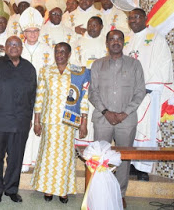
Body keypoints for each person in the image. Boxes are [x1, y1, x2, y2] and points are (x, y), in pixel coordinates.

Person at [0, 36, 37, 204]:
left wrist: (29, 117)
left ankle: (11, 189)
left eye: (17, 44)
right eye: (10, 44)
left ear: (21, 48)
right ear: (5, 47)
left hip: (20, 122)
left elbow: (32, 96)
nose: (14, 47)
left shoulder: (29, 69)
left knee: (16, 158)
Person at [89, 30, 146, 208]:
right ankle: (99, 192)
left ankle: (120, 193)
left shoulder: (134, 65)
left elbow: (140, 92)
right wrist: (106, 112)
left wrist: (124, 113)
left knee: (124, 158)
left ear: (123, 42)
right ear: (106, 43)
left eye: (119, 39)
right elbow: (93, 92)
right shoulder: (98, 65)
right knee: (99, 157)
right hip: (102, 118)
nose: (115, 42)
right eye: (112, 39)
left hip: (126, 121)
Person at [31, 42, 90, 204]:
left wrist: (83, 122)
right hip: (49, 120)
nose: (60, 54)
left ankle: (63, 190)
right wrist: (36, 120)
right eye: (57, 51)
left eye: (63, 51)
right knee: (49, 155)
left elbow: (83, 98)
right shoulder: (46, 71)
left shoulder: (78, 73)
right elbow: (40, 96)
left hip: (69, 121)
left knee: (65, 156)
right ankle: (49, 188)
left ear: (69, 54)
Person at [124, 8, 173, 181]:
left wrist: (148, 86)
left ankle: (143, 167)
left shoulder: (156, 38)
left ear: (145, 18)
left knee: (147, 129)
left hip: (148, 93)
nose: (133, 20)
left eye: (137, 17)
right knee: (129, 129)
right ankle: (129, 163)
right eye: (130, 18)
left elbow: (163, 63)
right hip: (128, 95)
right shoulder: (127, 39)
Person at [18, 7, 54, 173]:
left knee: (40, 127)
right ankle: (23, 161)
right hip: (20, 97)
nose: (32, 34)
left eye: (35, 31)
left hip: (43, 96)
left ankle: (39, 162)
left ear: (40, 31)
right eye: (29, 31)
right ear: (24, 32)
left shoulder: (48, 50)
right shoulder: (17, 49)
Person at [72, 16, 107, 146]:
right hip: (82, 85)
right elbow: (73, 63)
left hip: (102, 87)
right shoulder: (78, 42)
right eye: (90, 25)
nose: (92, 27)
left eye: (95, 25)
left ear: (101, 27)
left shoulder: (106, 42)